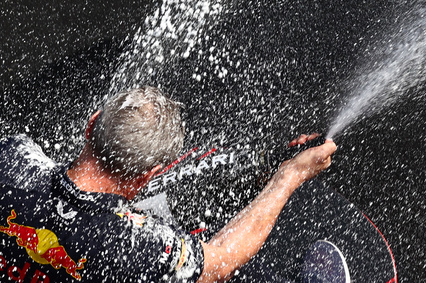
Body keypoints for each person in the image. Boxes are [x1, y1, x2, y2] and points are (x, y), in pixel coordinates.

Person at [0, 87, 347, 283]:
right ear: (151, 174)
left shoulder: (11, 158)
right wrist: (289, 177)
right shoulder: (138, 246)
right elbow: (220, 260)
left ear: (91, 126)